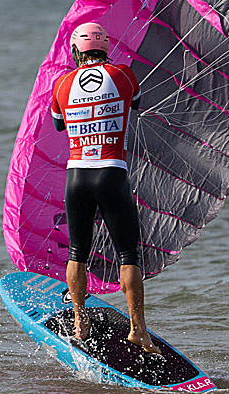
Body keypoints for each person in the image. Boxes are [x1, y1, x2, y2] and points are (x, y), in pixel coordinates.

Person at [50, 22, 161, 354]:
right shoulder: (123, 75)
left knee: (77, 253)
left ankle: (80, 323)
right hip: (111, 174)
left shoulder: (62, 83)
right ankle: (138, 331)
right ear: (105, 47)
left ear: (75, 51)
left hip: (77, 177)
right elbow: (137, 104)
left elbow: (58, 124)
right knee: (128, 256)